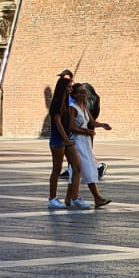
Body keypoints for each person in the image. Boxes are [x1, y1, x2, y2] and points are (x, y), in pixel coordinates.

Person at [67, 82, 112, 208]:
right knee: (83, 169)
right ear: (74, 94)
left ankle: (69, 199)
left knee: (80, 170)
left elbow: (91, 121)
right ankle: (96, 197)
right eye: (81, 92)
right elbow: (71, 127)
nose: (84, 94)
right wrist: (86, 131)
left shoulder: (84, 106)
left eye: (84, 92)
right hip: (77, 142)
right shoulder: (72, 108)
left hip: (85, 142)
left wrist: (102, 125)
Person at [46, 69, 83, 209]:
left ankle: (74, 197)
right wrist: (65, 139)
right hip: (58, 140)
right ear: (63, 87)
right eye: (68, 87)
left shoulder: (68, 101)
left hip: (67, 139)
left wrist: (69, 76)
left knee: (77, 167)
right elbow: (58, 123)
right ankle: (52, 198)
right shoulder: (56, 103)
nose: (70, 89)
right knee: (56, 169)